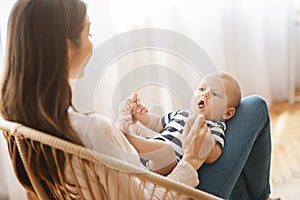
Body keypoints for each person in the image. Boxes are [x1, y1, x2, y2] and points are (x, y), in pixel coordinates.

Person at [0, 0, 276, 199]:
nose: (92, 44)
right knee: (255, 107)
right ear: (65, 46)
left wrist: (128, 130)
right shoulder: (92, 129)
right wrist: (191, 159)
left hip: (150, 175)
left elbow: (130, 153)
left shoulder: (21, 122)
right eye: (89, 33)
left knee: (238, 179)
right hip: (171, 188)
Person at [118, 72, 241, 175]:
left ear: (227, 113)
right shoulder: (181, 113)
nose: (205, 94)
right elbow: (157, 124)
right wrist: (140, 114)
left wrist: (206, 147)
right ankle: (128, 139)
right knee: (139, 131)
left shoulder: (214, 126)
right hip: (146, 156)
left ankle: (126, 137)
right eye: (202, 89)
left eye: (215, 94)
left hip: (165, 166)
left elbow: (213, 156)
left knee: (166, 151)